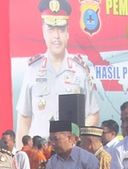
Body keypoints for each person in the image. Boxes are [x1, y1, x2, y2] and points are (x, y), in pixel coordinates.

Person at [15, 0, 99, 141]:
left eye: (61, 29)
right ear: (43, 31)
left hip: (71, 148)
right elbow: (24, 118)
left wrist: (76, 137)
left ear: (67, 31)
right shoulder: (33, 70)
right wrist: (20, 153)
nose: (56, 36)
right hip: (40, 150)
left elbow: (93, 114)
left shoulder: (79, 69)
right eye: (51, 29)